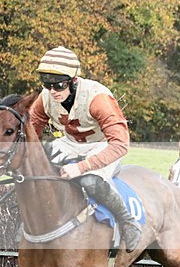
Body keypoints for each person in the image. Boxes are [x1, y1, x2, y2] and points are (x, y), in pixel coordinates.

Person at [29, 46, 142, 251]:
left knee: (90, 181)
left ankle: (127, 222)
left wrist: (81, 167)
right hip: (69, 142)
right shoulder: (45, 97)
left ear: (73, 81)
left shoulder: (98, 98)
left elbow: (120, 144)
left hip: (102, 145)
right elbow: (30, 135)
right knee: (37, 172)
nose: (52, 91)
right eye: (47, 85)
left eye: (58, 85)